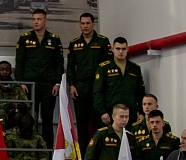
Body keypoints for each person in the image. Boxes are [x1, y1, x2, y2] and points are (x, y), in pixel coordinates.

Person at [14, 9, 63, 144]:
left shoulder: (54, 39)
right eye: (34, 19)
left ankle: (47, 150)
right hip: (30, 85)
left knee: (47, 119)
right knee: (29, 118)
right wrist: (21, 82)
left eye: (39, 19)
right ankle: (30, 148)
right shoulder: (24, 38)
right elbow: (19, 62)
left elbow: (59, 63)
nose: (36, 22)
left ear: (45, 21)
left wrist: (57, 83)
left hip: (48, 85)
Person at [66, 13, 111, 148]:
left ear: (93, 24)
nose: (85, 26)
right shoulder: (74, 43)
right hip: (80, 87)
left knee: (99, 121)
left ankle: (98, 152)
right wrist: (71, 85)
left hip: (97, 87)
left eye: (87, 23)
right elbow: (70, 67)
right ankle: (83, 155)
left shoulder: (103, 41)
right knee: (81, 123)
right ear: (80, 25)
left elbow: (107, 65)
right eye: (82, 23)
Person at [93, 37, 145, 128]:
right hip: (110, 114)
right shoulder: (104, 68)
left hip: (131, 114)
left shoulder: (135, 68)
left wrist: (141, 112)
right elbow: (97, 92)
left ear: (127, 49)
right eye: (118, 49)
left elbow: (140, 93)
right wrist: (102, 112)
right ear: (112, 49)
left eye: (123, 49)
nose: (121, 52)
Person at [0, 61, 29, 131]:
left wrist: (22, 105)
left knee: (30, 113)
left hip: (14, 115)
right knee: (1, 112)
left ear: (11, 72)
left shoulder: (17, 86)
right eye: (2, 70)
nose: (4, 72)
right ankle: (1, 136)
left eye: (7, 70)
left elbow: (27, 103)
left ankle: (28, 136)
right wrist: (8, 105)